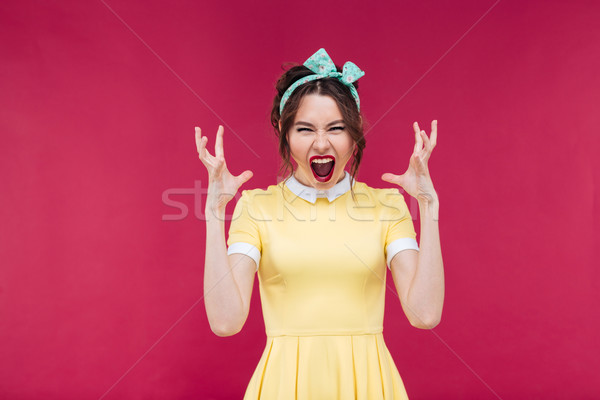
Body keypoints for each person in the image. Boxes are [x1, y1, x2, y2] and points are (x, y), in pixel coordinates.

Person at [195, 48, 444, 399]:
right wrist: (213, 214)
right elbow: (226, 322)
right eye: (305, 129)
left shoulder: (387, 205)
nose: (322, 142)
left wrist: (428, 207)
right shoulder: (257, 207)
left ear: (354, 134)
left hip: (368, 384)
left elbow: (426, 313)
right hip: (285, 385)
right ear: (284, 131)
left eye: (336, 128)